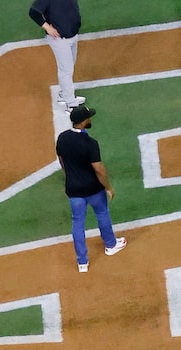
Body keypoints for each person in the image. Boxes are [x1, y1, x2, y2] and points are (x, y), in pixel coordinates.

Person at [55, 105, 127, 274]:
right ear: (83, 121)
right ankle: (110, 245)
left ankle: (82, 262)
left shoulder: (63, 138)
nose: (90, 119)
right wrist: (108, 187)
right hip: (93, 189)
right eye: (88, 117)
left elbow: (61, 160)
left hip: (73, 190)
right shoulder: (90, 143)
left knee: (77, 223)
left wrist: (70, 175)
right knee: (102, 213)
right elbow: (99, 169)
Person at [31, 0, 84, 115]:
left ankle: (64, 95)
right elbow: (33, 12)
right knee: (66, 70)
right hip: (60, 40)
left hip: (72, 35)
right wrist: (48, 28)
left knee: (70, 65)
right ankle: (71, 105)